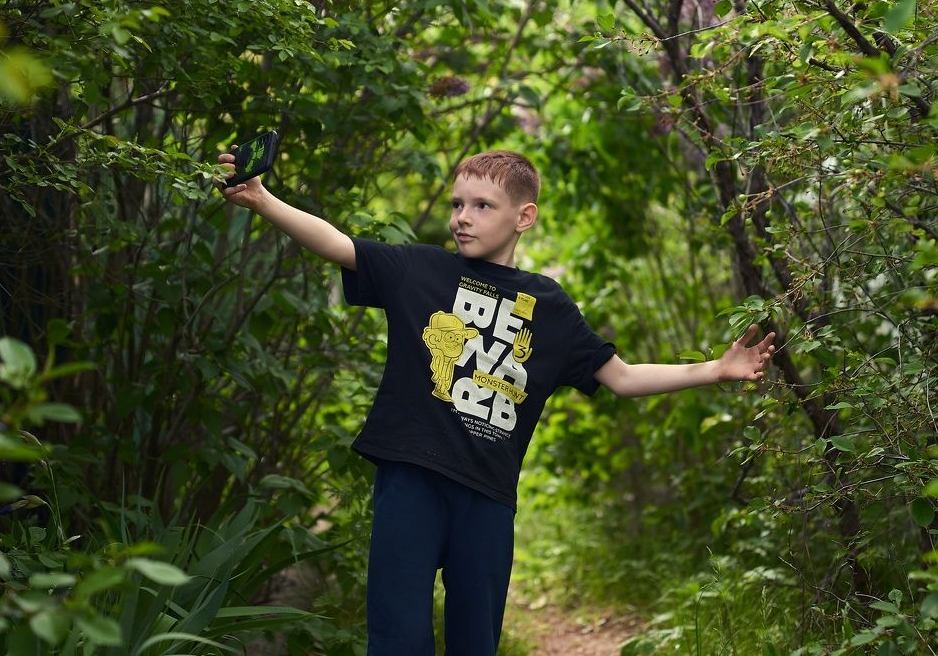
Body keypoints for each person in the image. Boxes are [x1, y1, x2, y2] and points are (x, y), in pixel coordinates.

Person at [217, 148, 775, 656]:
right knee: (397, 635)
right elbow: (338, 243)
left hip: (486, 499)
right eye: (459, 203)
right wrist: (262, 199)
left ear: (523, 217)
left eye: (483, 205)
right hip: (410, 481)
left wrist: (716, 370)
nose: (463, 216)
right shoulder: (421, 269)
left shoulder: (550, 306)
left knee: (475, 640)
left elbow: (623, 377)